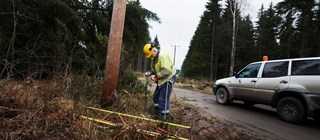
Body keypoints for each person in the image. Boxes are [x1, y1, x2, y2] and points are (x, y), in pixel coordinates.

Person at [143, 43, 176, 121]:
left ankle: (164, 118)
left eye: (151, 55)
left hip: (168, 79)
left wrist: (156, 77)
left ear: (154, 50)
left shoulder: (162, 56)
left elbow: (167, 70)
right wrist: (150, 73)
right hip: (162, 80)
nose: (150, 57)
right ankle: (157, 113)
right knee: (155, 97)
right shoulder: (154, 59)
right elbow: (154, 69)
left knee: (163, 99)